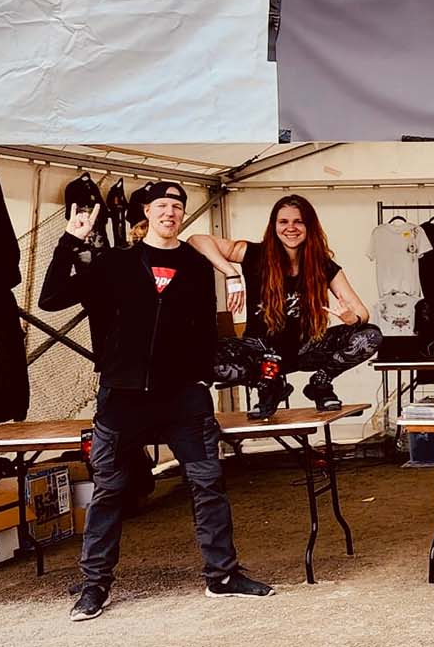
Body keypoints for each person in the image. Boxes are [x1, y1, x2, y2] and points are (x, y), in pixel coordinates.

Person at [39, 182, 273, 621]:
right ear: (145, 212)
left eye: (178, 206)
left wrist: (206, 376)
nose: (171, 212)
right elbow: (50, 299)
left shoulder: (196, 265)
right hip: (122, 398)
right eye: (162, 205)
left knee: (208, 485)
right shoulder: (114, 263)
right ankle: (94, 587)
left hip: (184, 397)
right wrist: (69, 241)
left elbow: (204, 325)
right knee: (109, 491)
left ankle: (222, 577)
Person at [189, 195, 380, 416]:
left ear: (309, 226)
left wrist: (351, 318)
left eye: (298, 221)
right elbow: (196, 240)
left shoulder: (323, 265)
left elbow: (362, 313)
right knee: (201, 356)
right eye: (283, 222)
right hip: (260, 352)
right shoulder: (254, 254)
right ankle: (270, 385)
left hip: (304, 348)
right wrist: (230, 273)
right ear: (274, 226)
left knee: (370, 335)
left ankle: (320, 382)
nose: (291, 228)